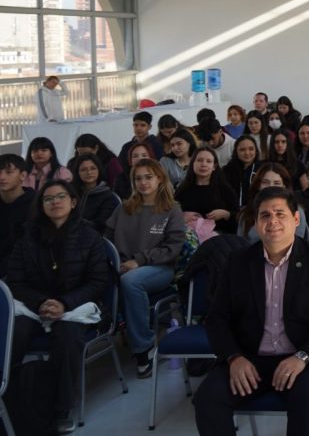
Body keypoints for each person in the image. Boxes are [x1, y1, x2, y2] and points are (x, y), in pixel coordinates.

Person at [193, 188, 309, 436]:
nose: (272, 221)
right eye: (265, 215)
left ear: (296, 219)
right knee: (208, 399)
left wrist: (303, 356)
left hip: (304, 359)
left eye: (280, 214)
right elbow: (217, 317)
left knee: (307, 400)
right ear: (256, 223)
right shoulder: (238, 261)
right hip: (249, 358)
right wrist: (233, 357)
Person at [7, 180, 111, 431]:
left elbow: (98, 282)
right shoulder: (27, 237)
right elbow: (16, 281)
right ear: (41, 205)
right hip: (35, 304)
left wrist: (64, 303)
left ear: (73, 202)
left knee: (66, 337)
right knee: (13, 332)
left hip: (75, 305)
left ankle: (62, 408)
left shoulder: (90, 236)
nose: (55, 202)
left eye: (60, 197)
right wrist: (40, 302)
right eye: (48, 199)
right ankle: (8, 398)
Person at [107, 159, 185, 377]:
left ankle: (143, 348)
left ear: (159, 178)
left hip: (159, 268)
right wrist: (118, 262)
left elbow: (173, 248)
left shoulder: (172, 209)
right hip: (123, 266)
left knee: (131, 281)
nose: (143, 182)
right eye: (138, 178)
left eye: (148, 177)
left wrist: (139, 261)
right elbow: (106, 240)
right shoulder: (124, 208)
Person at [236, 165, 309, 242]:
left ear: (284, 186)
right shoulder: (246, 213)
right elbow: (240, 243)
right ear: (258, 185)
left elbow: (297, 242)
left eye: (276, 183)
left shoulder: (295, 210)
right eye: (265, 182)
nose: (271, 186)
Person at [176, 147, 240, 235]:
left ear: (214, 166)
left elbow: (238, 215)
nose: (203, 164)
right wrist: (182, 217)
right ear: (193, 164)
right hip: (188, 236)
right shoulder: (183, 188)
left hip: (219, 236)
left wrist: (226, 214)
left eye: (208, 161)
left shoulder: (224, 188)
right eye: (199, 160)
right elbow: (170, 213)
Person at [0, 153, 34, 279]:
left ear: (23, 175)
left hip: (22, 271)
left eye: (9, 172)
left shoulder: (36, 204)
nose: (2, 177)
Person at [72, 153, 122, 233]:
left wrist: (73, 221)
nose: (89, 172)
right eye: (83, 169)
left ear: (99, 169)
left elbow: (101, 226)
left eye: (93, 168)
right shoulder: (71, 193)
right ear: (77, 172)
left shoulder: (109, 197)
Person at [222, 135, 262, 209]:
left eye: (251, 149)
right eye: (242, 150)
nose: (247, 153)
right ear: (236, 151)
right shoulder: (226, 170)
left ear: (256, 150)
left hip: (255, 211)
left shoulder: (262, 169)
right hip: (231, 212)